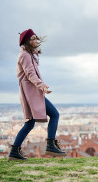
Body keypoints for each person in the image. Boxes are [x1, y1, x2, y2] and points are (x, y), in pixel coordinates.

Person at [8, 29, 66, 161]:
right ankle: (50, 144)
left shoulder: (29, 54)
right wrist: (43, 86)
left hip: (32, 92)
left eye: (36, 38)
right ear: (27, 41)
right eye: (32, 38)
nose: (35, 41)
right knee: (54, 114)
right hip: (31, 93)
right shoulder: (24, 55)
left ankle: (14, 151)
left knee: (30, 123)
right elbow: (30, 74)